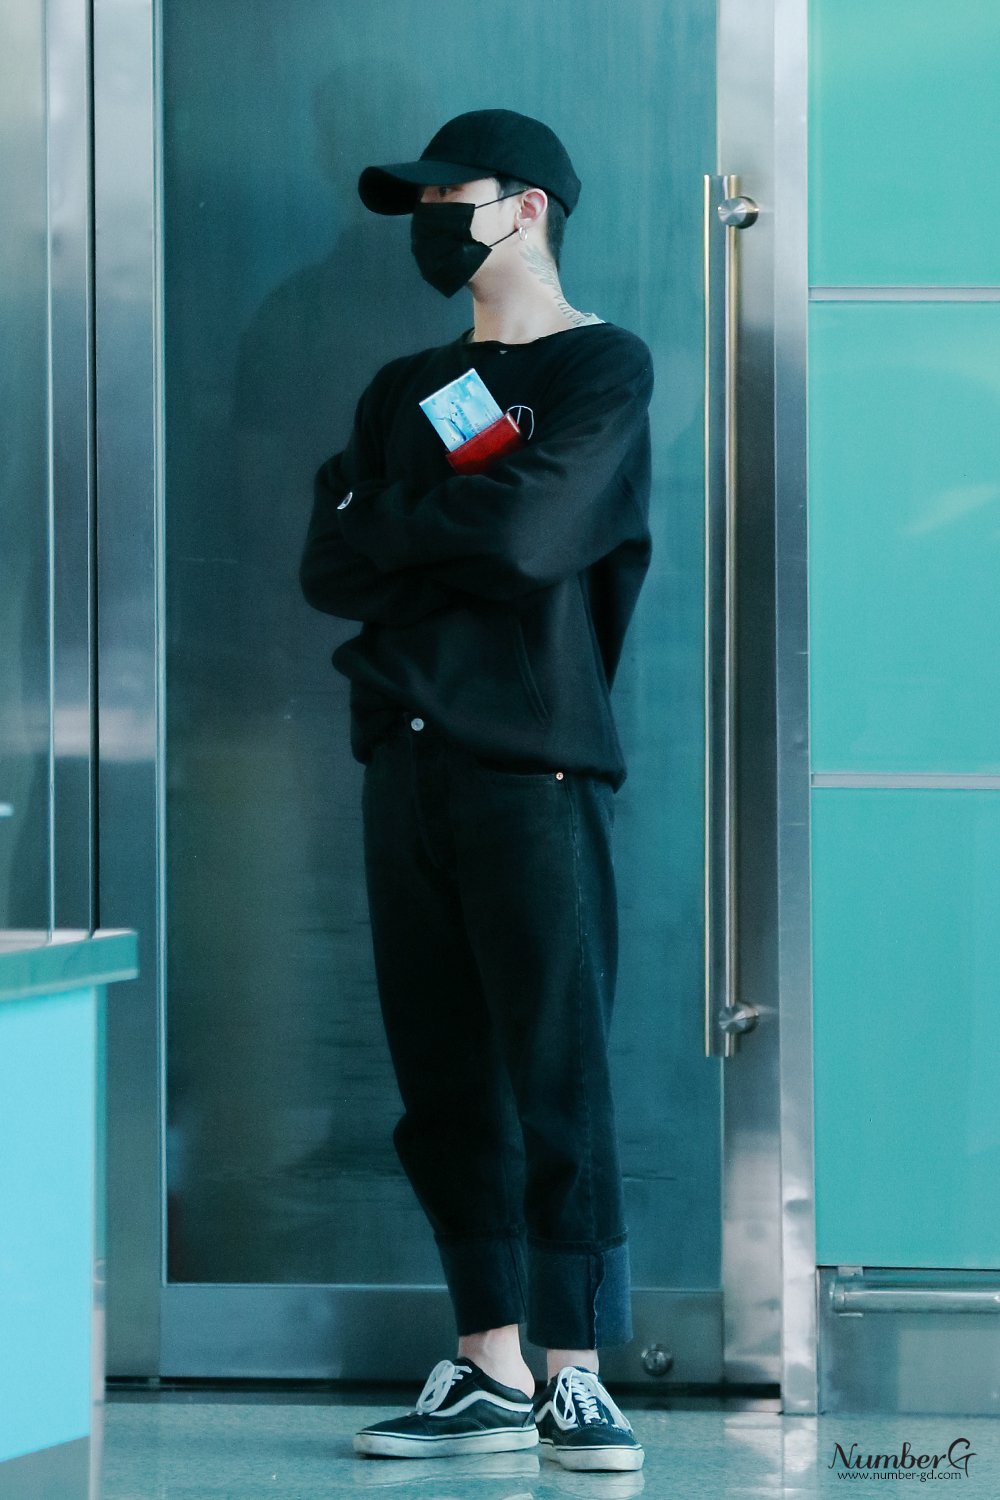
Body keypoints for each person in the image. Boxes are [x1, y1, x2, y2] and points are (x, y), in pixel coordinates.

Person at [300, 109, 653, 1473]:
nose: (432, 219)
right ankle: (488, 1366)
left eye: (453, 195)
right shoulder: (405, 388)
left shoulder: (601, 368)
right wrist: (443, 530)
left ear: (528, 209)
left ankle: (578, 1374)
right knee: (441, 1077)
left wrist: (397, 527)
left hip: (534, 761)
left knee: (557, 1073)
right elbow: (328, 564)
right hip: (406, 761)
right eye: (421, 201)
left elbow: (532, 535)